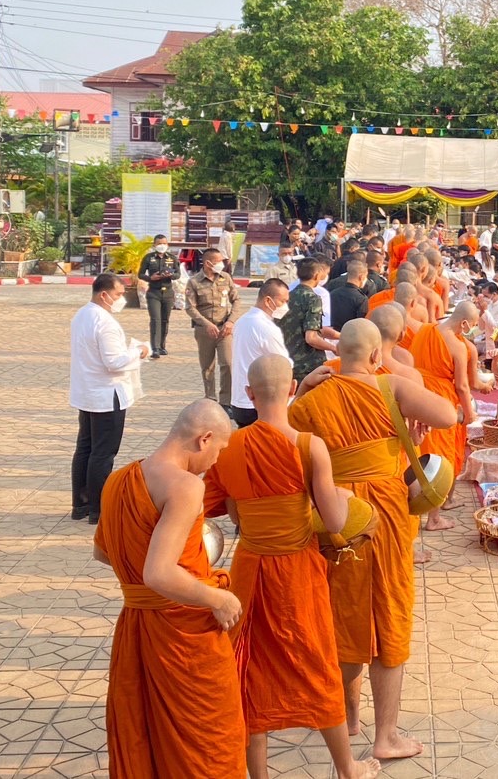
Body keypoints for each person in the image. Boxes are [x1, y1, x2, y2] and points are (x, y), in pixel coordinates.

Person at [203, 356, 382, 779]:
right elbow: (336, 522)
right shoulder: (308, 446)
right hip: (298, 572)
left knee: (250, 668)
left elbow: (229, 512)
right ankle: (346, 768)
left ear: (248, 394)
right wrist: (338, 493)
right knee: (316, 661)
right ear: (293, 388)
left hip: (249, 568)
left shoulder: (229, 447)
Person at [288, 321, 458, 761]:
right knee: (390, 612)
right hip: (385, 511)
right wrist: (401, 397)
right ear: (375, 355)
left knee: (342, 611)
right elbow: (448, 414)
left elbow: (284, 435)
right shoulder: (389, 386)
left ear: (337, 355)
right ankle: (386, 736)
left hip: (336, 512)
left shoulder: (313, 398)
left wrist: (304, 387)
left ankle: (347, 715)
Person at [94, 399, 243, 777]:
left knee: (146, 738)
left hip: (136, 626)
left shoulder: (120, 478)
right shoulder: (186, 486)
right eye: (219, 451)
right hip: (185, 636)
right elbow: (158, 573)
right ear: (204, 439)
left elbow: (103, 552)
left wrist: (148, 581)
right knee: (209, 744)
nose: (216, 462)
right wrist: (216, 597)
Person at [69, 273, 150, 523]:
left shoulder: (82, 315)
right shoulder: (104, 321)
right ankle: (98, 508)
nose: (120, 299)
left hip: (88, 392)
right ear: (104, 295)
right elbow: (114, 362)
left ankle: (80, 504)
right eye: (117, 294)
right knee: (103, 453)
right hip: (107, 394)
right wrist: (139, 350)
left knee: (85, 448)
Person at [410, 302, 481, 530]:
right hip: (440, 400)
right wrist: (469, 414)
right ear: (464, 323)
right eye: (474, 325)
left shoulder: (425, 330)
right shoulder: (457, 346)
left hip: (416, 392)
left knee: (419, 451)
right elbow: (461, 386)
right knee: (441, 457)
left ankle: (419, 506)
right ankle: (434, 518)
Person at [230, 279, 291, 428]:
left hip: (239, 399)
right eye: (283, 301)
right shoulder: (265, 327)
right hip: (258, 402)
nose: (285, 306)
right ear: (268, 300)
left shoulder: (242, 321)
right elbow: (283, 364)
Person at [187, 247, 241, 408]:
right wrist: (206, 324)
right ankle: (210, 398)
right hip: (205, 330)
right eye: (218, 261)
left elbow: (236, 301)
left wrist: (231, 322)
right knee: (207, 366)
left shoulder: (226, 278)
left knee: (227, 364)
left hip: (225, 329)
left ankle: (226, 402)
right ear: (208, 262)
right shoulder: (194, 281)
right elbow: (190, 308)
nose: (221, 264)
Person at [280, 259, 340, 383]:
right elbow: (311, 337)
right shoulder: (313, 299)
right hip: (307, 364)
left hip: (286, 359)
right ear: (317, 275)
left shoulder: (286, 297)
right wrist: (333, 348)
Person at [137, 233, 179, 358]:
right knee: (156, 320)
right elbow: (140, 274)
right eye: (159, 243)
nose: (162, 246)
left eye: (164, 243)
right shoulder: (149, 258)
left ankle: (161, 346)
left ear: (167, 244)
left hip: (168, 293)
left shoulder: (172, 258)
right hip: (153, 292)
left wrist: (170, 275)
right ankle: (154, 348)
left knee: (165, 320)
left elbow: (178, 274)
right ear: (154, 245)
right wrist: (150, 277)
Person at [328, 262, 371, 331]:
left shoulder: (333, 293)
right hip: (349, 335)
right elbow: (360, 324)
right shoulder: (361, 299)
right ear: (361, 277)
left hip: (330, 334)